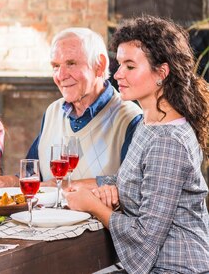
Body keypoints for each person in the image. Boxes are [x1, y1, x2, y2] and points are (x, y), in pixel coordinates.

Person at [66, 16, 209, 273]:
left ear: (161, 73)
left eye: (130, 66)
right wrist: (112, 189)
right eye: (119, 64)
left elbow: (145, 238)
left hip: (178, 268)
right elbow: (147, 183)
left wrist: (93, 205)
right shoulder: (149, 123)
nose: (118, 74)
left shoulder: (167, 140)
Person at [0, 28, 142, 188]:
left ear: (99, 65)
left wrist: (64, 186)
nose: (61, 75)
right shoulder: (53, 111)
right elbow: (34, 175)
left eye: (71, 63)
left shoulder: (130, 118)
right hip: (46, 213)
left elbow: (131, 187)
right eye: (56, 66)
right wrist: (7, 182)